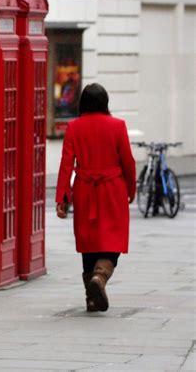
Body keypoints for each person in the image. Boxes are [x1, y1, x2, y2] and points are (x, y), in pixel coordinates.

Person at [55, 83, 136, 312]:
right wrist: (131, 189)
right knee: (114, 238)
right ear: (105, 102)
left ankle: (91, 298)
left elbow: (66, 164)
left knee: (88, 240)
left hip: (85, 189)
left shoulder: (74, 127)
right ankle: (100, 278)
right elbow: (127, 162)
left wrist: (63, 197)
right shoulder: (118, 125)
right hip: (112, 189)